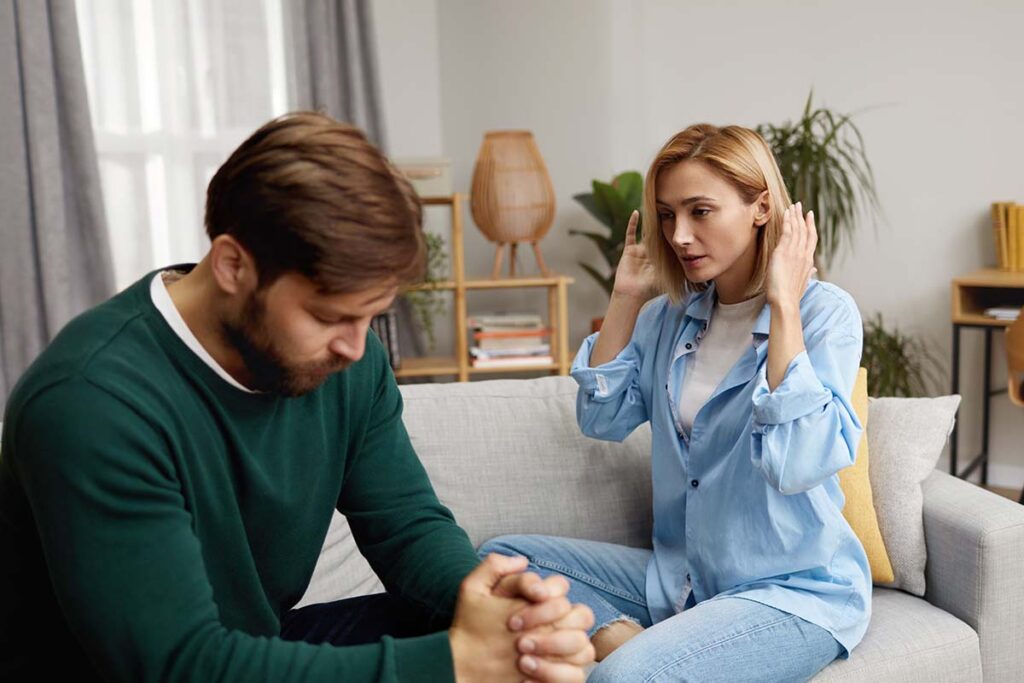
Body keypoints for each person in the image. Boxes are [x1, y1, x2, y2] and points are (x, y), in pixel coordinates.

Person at [0, 112, 595, 682]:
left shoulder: (340, 360)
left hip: (256, 649)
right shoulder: (92, 403)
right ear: (234, 264)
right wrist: (458, 665)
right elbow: (180, 665)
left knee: (518, 649)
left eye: (372, 318)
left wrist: (489, 606)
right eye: (327, 316)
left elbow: (403, 524)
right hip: (161, 669)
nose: (357, 350)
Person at [480, 123, 871, 681]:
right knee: (498, 563)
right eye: (667, 215)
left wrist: (784, 303)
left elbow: (799, 463)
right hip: (682, 578)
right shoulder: (670, 317)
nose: (679, 235)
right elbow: (603, 419)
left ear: (761, 207)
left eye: (700, 212)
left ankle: (631, 655)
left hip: (792, 593)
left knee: (621, 678)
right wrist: (625, 298)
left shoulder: (823, 313)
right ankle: (622, 636)